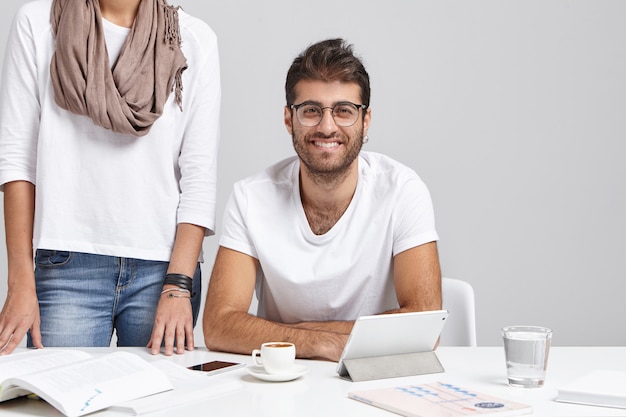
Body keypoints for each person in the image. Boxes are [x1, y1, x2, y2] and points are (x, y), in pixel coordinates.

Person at [0, 0, 220, 356]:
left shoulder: (193, 38)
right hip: (67, 265)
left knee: (159, 407)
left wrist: (179, 285)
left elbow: (199, 175)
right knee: (61, 408)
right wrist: (20, 282)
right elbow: (18, 163)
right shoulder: (39, 22)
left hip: (163, 269)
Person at [203, 38, 441, 362]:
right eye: (311, 111)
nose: (327, 127)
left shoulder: (402, 191)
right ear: (289, 119)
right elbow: (218, 325)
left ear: (365, 120)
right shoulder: (251, 198)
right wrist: (319, 344)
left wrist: (294, 333)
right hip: (280, 382)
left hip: (372, 375)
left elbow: (424, 325)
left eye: (344, 111)